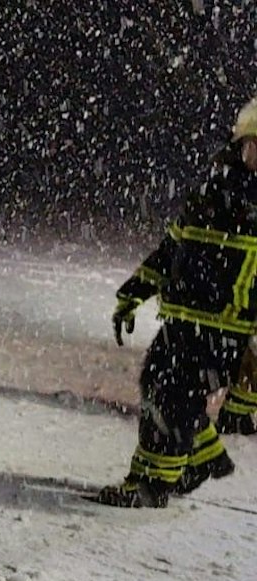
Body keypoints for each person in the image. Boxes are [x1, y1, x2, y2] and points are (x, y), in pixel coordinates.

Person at [102, 96, 257, 507]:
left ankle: (155, 485)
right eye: (254, 145)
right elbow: (172, 250)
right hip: (183, 321)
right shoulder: (212, 192)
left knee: (171, 397)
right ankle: (187, 463)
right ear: (240, 145)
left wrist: (250, 379)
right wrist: (133, 293)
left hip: (226, 331)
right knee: (155, 388)